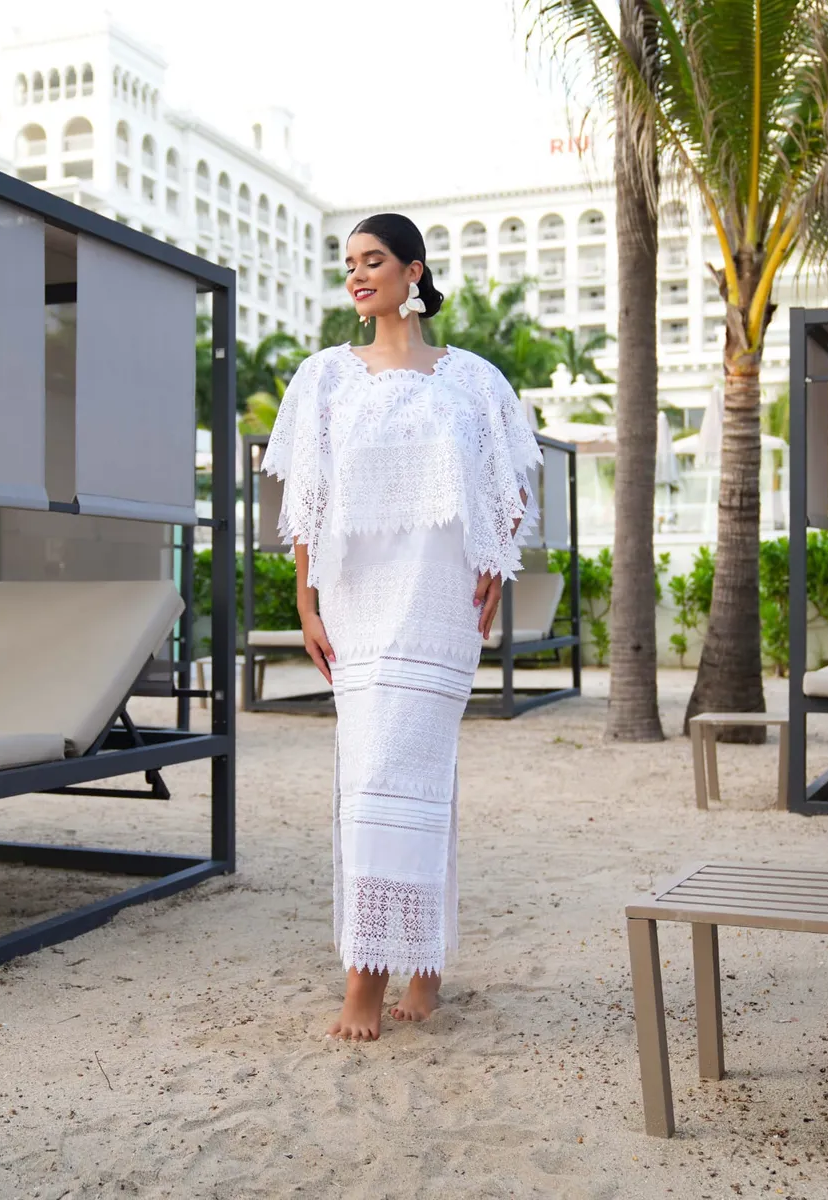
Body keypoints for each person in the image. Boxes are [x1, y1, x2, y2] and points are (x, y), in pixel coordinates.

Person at [262, 212, 540, 1041]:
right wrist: (306, 601)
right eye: (349, 263)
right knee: (372, 778)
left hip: (439, 602)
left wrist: (495, 558)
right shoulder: (324, 376)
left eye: (373, 260)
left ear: (412, 271)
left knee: (417, 779)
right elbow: (307, 499)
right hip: (358, 602)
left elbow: (513, 485)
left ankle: (405, 972)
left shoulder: (474, 380)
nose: (356, 275)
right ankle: (385, 971)